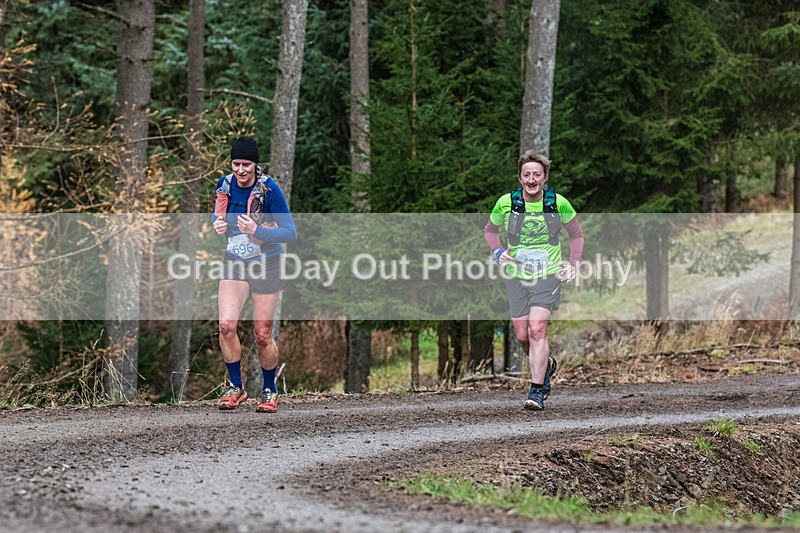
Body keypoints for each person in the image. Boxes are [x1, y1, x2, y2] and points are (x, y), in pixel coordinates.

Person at [484, 150, 583, 410]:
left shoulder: (558, 203)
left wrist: (573, 263)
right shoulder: (506, 203)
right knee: (522, 334)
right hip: (516, 275)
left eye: (536, 175)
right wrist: (497, 252)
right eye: (526, 175)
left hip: (548, 273)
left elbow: (576, 235)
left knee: (537, 328)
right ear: (520, 178)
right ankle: (546, 365)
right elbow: (490, 231)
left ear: (544, 178)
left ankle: (537, 390)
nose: (531, 179)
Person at [211, 136, 297, 412]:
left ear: (255, 164)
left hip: (267, 263)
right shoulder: (224, 185)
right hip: (235, 261)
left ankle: (270, 391)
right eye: (236, 163)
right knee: (226, 326)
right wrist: (218, 225)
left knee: (262, 333)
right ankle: (236, 387)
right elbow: (217, 215)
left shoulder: (269, 189)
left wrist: (257, 232)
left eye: (246, 164)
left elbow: (290, 232)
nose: (240, 170)